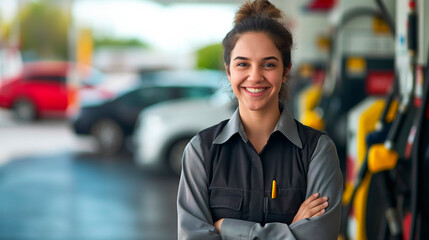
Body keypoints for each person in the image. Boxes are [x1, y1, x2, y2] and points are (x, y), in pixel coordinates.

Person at [177, 0, 343, 239]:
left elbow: (318, 236)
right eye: (243, 64)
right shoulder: (201, 151)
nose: (254, 77)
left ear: (286, 71)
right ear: (228, 71)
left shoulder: (317, 151)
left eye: (268, 64)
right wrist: (291, 231)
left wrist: (225, 227)